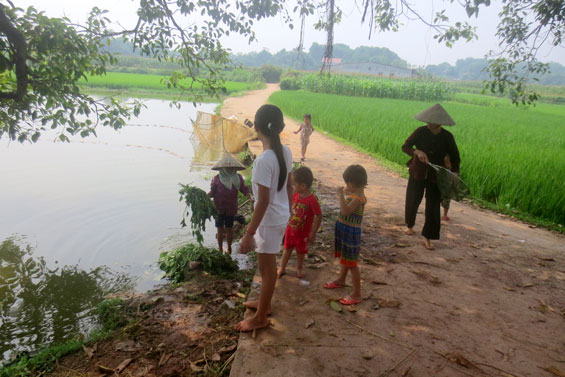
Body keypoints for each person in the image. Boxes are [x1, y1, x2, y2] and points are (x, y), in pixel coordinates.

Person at [237, 104, 293, 332]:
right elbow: (289, 187)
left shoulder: (263, 161)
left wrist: (248, 234)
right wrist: (288, 211)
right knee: (266, 268)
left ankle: (261, 316)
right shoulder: (286, 152)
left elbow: (263, 201)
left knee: (267, 270)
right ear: (280, 127)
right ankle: (264, 304)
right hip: (279, 217)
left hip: (269, 222)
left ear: (257, 128)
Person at [402, 104, 460, 250]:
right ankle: (410, 225)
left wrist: (455, 172)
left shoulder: (447, 137)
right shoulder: (420, 132)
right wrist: (417, 152)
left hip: (436, 176)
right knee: (413, 199)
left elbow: (455, 157)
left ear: (440, 122)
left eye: (432, 121)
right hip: (418, 172)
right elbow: (406, 146)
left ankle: (428, 237)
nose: (429, 123)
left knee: (433, 206)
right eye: (428, 120)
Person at [324, 165, 367, 306]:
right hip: (346, 232)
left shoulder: (357, 198)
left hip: (350, 234)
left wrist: (341, 195)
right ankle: (341, 279)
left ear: (353, 183)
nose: (346, 186)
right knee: (346, 259)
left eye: (347, 183)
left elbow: (345, 211)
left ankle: (356, 294)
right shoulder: (357, 195)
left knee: (352, 264)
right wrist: (348, 193)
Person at [278, 166, 322, 279]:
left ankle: (299, 268)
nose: (292, 187)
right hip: (290, 229)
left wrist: (313, 232)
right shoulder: (296, 195)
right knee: (287, 248)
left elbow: (318, 215)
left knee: (300, 251)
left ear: (302, 186)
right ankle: (282, 267)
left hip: (302, 233)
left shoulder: (312, 200)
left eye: (294, 185)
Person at [208, 153, 253, 254]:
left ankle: (229, 248)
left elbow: (244, 189)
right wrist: (205, 196)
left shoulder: (238, 178)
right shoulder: (216, 179)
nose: (229, 169)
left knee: (229, 228)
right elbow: (212, 192)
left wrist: (250, 195)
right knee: (219, 229)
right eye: (227, 168)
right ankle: (220, 248)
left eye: (232, 167)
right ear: (222, 168)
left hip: (231, 208)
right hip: (218, 208)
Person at [441, 154, 452, 221]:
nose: (446, 164)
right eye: (445, 162)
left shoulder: (451, 170)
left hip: (447, 189)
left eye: (448, 162)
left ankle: (445, 215)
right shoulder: (441, 169)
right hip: (439, 187)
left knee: (446, 202)